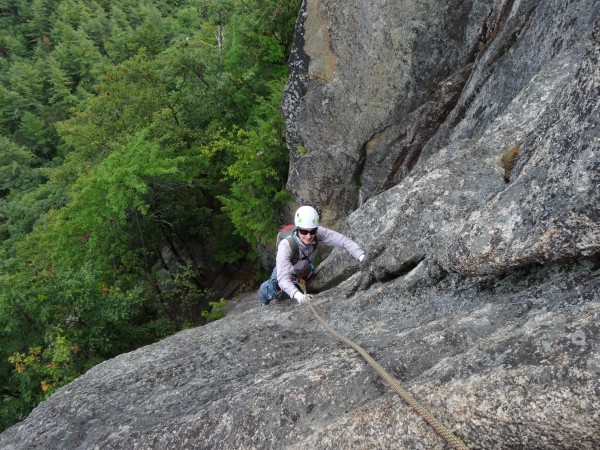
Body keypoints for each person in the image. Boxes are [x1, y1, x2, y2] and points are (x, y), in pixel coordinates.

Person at [258, 206, 366, 305]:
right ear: (297, 229)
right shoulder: (286, 245)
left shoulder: (318, 233)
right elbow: (283, 278)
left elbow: (343, 241)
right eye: (304, 231)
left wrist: (363, 257)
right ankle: (262, 303)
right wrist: (298, 295)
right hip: (287, 273)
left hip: (305, 272)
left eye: (312, 231)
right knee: (268, 289)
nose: (309, 236)